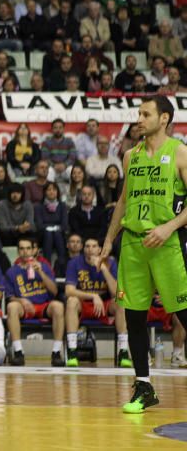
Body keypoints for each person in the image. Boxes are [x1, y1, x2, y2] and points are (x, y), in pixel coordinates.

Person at [100, 95, 187, 413]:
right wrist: (110, 239)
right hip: (134, 245)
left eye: (146, 113)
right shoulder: (129, 156)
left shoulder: (179, 152)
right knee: (133, 317)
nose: (139, 118)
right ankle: (144, 387)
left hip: (166, 243)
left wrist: (169, 227)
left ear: (164, 118)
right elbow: (122, 201)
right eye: (138, 113)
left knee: (184, 312)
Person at [64, 237, 129, 367]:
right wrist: (93, 296)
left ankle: (123, 352)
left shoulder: (111, 262)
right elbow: (69, 291)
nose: (90, 249)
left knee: (121, 301)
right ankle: (72, 351)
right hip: (84, 303)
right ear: (83, 249)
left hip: (105, 304)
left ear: (100, 249)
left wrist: (104, 269)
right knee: (71, 301)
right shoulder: (74, 263)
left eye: (94, 246)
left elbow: (117, 292)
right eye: (87, 246)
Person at [5, 237, 66, 367]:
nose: (25, 252)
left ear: (34, 250)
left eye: (28, 248)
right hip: (24, 307)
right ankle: (18, 352)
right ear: (18, 251)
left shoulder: (44, 267)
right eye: (21, 249)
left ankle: (56, 352)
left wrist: (41, 273)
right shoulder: (12, 271)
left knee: (59, 306)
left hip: (43, 305)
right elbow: (9, 297)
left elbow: (54, 291)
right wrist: (21, 300)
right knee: (12, 306)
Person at [35, 181, 69, 267]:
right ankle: (47, 264)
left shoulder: (62, 206)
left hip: (60, 234)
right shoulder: (38, 207)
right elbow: (39, 225)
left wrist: (54, 228)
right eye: (49, 190)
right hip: (43, 235)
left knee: (57, 233)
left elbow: (64, 225)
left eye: (54, 189)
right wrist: (53, 228)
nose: (51, 192)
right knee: (48, 233)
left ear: (57, 192)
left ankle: (62, 264)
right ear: (45, 192)